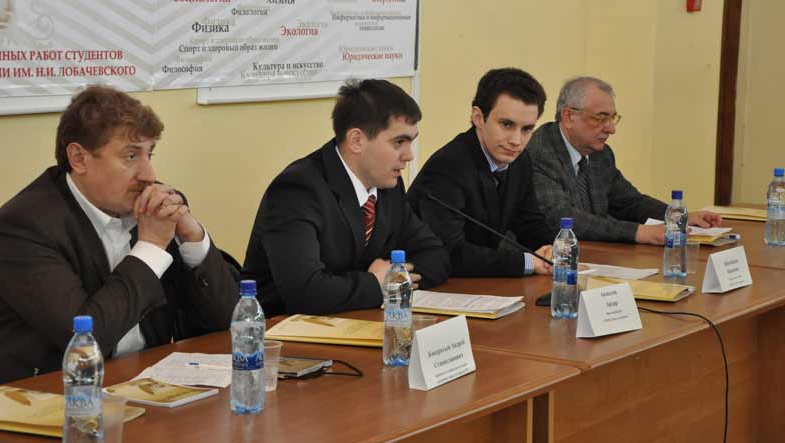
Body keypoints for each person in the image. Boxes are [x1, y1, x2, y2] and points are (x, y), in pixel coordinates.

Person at [0, 86, 239, 387]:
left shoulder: (151, 207)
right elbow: (85, 341)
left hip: (141, 385)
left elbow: (229, 323)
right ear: (79, 158)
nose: (148, 174)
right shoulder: (24, 227)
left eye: (149, 154)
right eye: (130, 156)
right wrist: (151, 249)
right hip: (43, 397)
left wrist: (192, 238)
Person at [242, 79, 449, 316]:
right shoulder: (297, 190)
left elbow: (436, 257)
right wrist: (374, 283)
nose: (409, 155)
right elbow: (305, 293)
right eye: (398, 142)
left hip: (355, 318)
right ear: (356, 141)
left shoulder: (388, 186)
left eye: (411, 141)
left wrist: (394, 278)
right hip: (277, 329)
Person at [525, 76, 721, 244]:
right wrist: (639, 233)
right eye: (601, 118)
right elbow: (562, 218)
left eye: (612, 118)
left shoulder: (600, 154)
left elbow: (629, 202)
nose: (611, 129)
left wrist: (677, 216)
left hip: (596, 255)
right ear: (569, 116)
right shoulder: (539, 152)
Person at [408, 68, 556, 276]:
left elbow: (529, 222)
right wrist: (528, 262)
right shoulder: (447, 167)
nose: (516, 140)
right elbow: (449, 252)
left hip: (481, 280)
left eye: (527, 129)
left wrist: (554, 250)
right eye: (506, 124)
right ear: (478, 117)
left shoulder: (520, 161)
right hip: (433, 282)